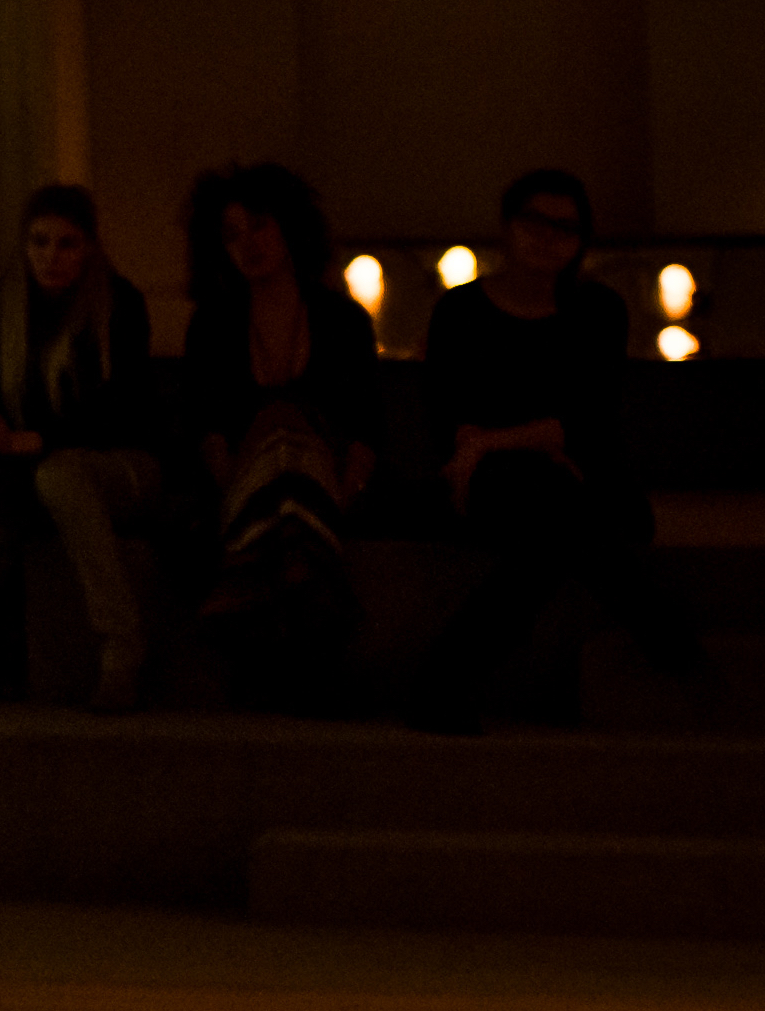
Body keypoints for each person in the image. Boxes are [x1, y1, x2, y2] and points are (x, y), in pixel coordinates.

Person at [410, 169, 692, 735]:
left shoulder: (597, 311)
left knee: (556, 511)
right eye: (535, 221)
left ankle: (443, 675)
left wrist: (497, 439)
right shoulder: (461, 311)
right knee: (548, 500)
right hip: (495, 480)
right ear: (507, 227)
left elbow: (586, 421)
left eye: (566, 227)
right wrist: (514, 445)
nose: (549, 237)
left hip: (581, 477)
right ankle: (657, 624)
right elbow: (450, 413)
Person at [0, 184, 163, 711]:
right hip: (23, 464)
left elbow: (125, 411)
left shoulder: (118, 306)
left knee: (61, 475)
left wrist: (41, 438)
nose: (51, 257)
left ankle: (121, 652)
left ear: (89, 248)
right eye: (39, 242)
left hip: (117, 463)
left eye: (67, 244)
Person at [180, 163, 381, 713]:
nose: (248, 244)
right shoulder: (215, 324)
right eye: (231, 235)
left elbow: (365, 425)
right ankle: (313, 652)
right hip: (240, 483)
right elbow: (208, 428)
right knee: (276, 440)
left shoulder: (342, 320)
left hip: (328, 478)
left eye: (260, 225)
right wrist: (240, 489)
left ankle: (247, 605)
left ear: (290, 227)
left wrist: (339, 491)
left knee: (290, 439)